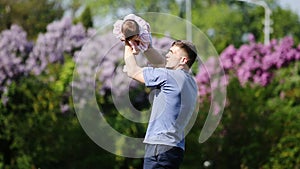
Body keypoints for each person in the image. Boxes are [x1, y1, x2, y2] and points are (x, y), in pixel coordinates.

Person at [123, 39, 198, 169]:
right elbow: (160, 63)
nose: (167, 55)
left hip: (160, 147)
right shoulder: (191, 82)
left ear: (183, 60)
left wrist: (127, 44)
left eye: (172, 52)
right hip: (174, 148)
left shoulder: (169, 77)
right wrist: (145, 45)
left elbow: (132, 71)